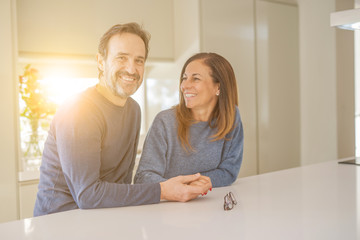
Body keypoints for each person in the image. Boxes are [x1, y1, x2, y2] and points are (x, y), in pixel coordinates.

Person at [33, 23, 211, 216]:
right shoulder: (79, 111)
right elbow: (88, 196)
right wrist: (163, 190)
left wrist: (179, 184)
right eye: (122, 58)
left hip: (107, 218)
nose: (131, 69)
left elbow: (123, 182)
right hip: (61, 224)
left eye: (139, 60)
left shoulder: (133, 110)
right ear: (101, 61)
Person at [135, 52, 244, 188]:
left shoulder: (231, 117)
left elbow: (229, 171)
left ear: (218, 87)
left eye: (195, 79)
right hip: (168, 206)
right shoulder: (165, 122)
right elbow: (143, 177)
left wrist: (193, 186)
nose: (184, 86)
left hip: (210, 203)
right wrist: (181, 189)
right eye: (184, 78)